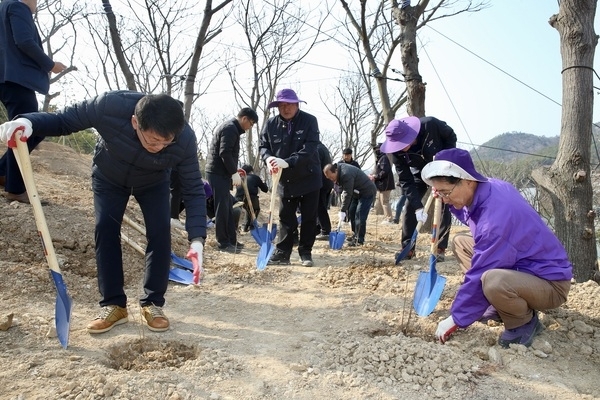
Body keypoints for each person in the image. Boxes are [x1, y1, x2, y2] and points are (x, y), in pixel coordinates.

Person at [0, 91, 207, 334]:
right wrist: (28, 122)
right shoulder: (109, 106)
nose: (158, 147)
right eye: (152, 141)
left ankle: (153, 303)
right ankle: (113, 305)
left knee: (160, 233)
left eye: (165, 143)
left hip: (154, 182)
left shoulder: (184, 138)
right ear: (134, 122)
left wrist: (197, 240)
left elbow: (193, 188)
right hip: (109, 176)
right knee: (105, 230)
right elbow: (63, 120)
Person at [420, 148, 572, 348]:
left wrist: (456, 318)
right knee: (462, 243)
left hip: (550, 283)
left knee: (491, 280)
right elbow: (469, 212)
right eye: (439, 192)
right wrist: (446, 197)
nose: (444, 198)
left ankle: (523, 322)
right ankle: (499, 304)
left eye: (446, 192)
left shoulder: (495, 223)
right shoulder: (488, 187)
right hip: (524, 265)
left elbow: (479, 272)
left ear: (467, 181)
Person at [0, 0, 67, 203]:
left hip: (7, 78)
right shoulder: (18, 7)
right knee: (27, 130)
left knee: (31, 128)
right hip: (15, 79)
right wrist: (50, 64)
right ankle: (16, 189)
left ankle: (4, 172)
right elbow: (25, 41)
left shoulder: (4, 7)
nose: (36, 3)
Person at [259, 88, 321, 267]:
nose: (286, 108)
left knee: (309, 217)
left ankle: (305, 252)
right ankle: (283, 252)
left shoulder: (309, 121)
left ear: (297, 104)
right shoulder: (271, 124)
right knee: (286, 216)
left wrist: (288, 162)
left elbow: (310, 147)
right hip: (284, 180)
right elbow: (263, 146)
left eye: (290, 104)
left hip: (308, 176)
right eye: (282, 105)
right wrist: (269, 158)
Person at [381, 116, 457, 261]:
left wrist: (446, 157)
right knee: (410, 206)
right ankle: (408, 247)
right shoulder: (396, 153)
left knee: (443, 204)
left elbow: (451, 136)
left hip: (440, 166)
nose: (400, 148)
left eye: (401, 143)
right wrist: (418, 207)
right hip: (419, 172)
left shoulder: (430, 125)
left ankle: (440, 247)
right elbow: (405, 180)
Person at [205, 107, 258, 254]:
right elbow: (225, 153)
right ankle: (223, 242)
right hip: (217, 173)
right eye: (251, 123)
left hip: (222, 173)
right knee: (222, 208)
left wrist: (234, 171)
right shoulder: (230, 129)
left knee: (228, 207)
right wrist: (233, 172)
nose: (250, 127)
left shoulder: (232, 129)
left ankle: (232, 240)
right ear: (244, 119)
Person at [323, 163, 376, 246]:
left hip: (367, 191)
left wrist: (343, 210)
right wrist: (343, 208)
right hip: (356, 192)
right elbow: (343, 191)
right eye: (328, 178)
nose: (330, 179)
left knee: (359, 214)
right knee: (351, 211)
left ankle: (359, 240)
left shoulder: (346, 174)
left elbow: (348, 193)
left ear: (335, 171)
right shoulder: (338, 172)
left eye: (331, 177)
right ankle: (355, 234)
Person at [234, 164, 268, 232]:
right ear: (251, 171)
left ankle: (242, 227)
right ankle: (251, 226)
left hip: (238, 198)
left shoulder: (239, 178)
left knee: (242, 211)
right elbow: (265, 189)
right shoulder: (255, 177)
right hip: (251, 197)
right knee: (255, 209)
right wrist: (264, 184)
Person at [369, 143, 395, 223]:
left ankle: (389, 219)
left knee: (385, 201)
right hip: (381, 185)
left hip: (385, 185)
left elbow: (384, 171)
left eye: (378, 149)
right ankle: (386, 217)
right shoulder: (380, 159)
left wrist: (375, 176)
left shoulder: (383, 158)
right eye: (376, 149)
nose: (376, 150)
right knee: (381, 201)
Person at [339, 148, 361, 238]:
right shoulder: (340, 163)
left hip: (354, 189)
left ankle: (353, 227)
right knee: (344, 204)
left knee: (352, 208)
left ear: (351, 155)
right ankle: (344, 218)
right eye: (345, 155)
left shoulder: (355, 164)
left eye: (348, 155)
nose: (346, 156)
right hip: (342, 188)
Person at [315, 142, 333, 240]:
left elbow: (316, 166)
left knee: (320, 207)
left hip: (321, 183)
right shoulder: (323, 147)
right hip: (327, 182)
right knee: (321, 207)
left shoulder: (317, 149)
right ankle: (318, 228)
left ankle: (325, 230)